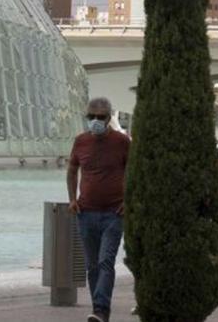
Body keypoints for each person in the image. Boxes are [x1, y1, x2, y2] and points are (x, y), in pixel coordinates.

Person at [67, 97, 130, 322]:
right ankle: (99, 310)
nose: (95, 120)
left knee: (105, 261)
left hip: (114, 213)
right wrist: (72, 199)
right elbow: (72, 169)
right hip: (86, 213)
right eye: (91, 117)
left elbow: (133, 171)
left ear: (109, 117)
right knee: (92, 266)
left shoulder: (122, 142)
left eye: (100, 117)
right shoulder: (81, 141)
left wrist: (128, 201)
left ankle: (102, 309)